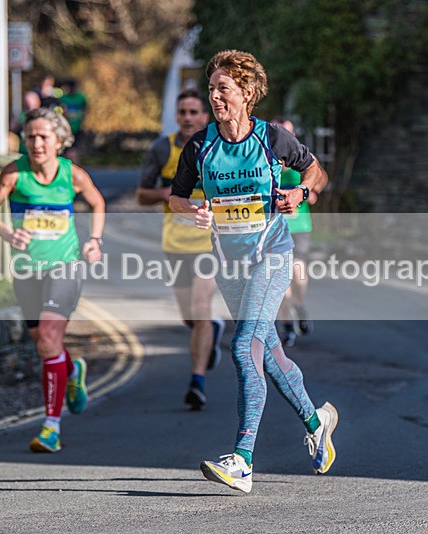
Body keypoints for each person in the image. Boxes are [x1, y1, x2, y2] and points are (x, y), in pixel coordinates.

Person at [169, 49, 336, 493]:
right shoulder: (201, 145)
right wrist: (193, 210)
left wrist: (299, 192)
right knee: (272, 356)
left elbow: (315, 171)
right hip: (230, 266)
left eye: (223, 88)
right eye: (212, 88)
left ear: (246, 93)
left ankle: (241, 460)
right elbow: (175, 197)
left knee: (245, 348)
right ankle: (317, 422)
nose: (215, 96)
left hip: (272, 255)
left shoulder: (271, 138)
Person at [0, 107, 106, 452]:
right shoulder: (13, 174)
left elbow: (97, 202)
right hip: (26, 271)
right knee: (44, 344)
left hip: (64, 267)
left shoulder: (72, 174)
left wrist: (94, 240)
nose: (36, 143)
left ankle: (51, 426)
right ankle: (72, 369)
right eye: (30, 137)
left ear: (59, 141)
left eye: (43, 137)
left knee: (49, 336)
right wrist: (9, 234)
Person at [137, 89, 225, 411]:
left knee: (201, 306)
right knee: (190, 317)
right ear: (176, 117)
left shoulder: (216, 148)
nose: (188, 118)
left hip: (210, 243)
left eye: (194, 112)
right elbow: (141, 195)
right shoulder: (162, 149)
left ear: (204, 117)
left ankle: (197, 381)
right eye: (182, 112)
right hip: (175, 244)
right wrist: (168, 193)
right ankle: (212, 329)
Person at [271, 117, 317, 347]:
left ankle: (299, 305)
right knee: (280, 278)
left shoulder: (301, 156)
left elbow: (319, 176)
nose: (284, 138)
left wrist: (307, 190)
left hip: (299, 224)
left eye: (288, 133)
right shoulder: (266, 158)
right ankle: (287, 324)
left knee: (298, 273)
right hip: (274, 225)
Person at [59, 79, 87, 164]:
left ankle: (75, 167)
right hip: (66, 128)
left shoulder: (81, 98)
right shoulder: (63, 98)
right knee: (64, 150)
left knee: (74, 150)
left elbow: (85, 110)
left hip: (77, 128)